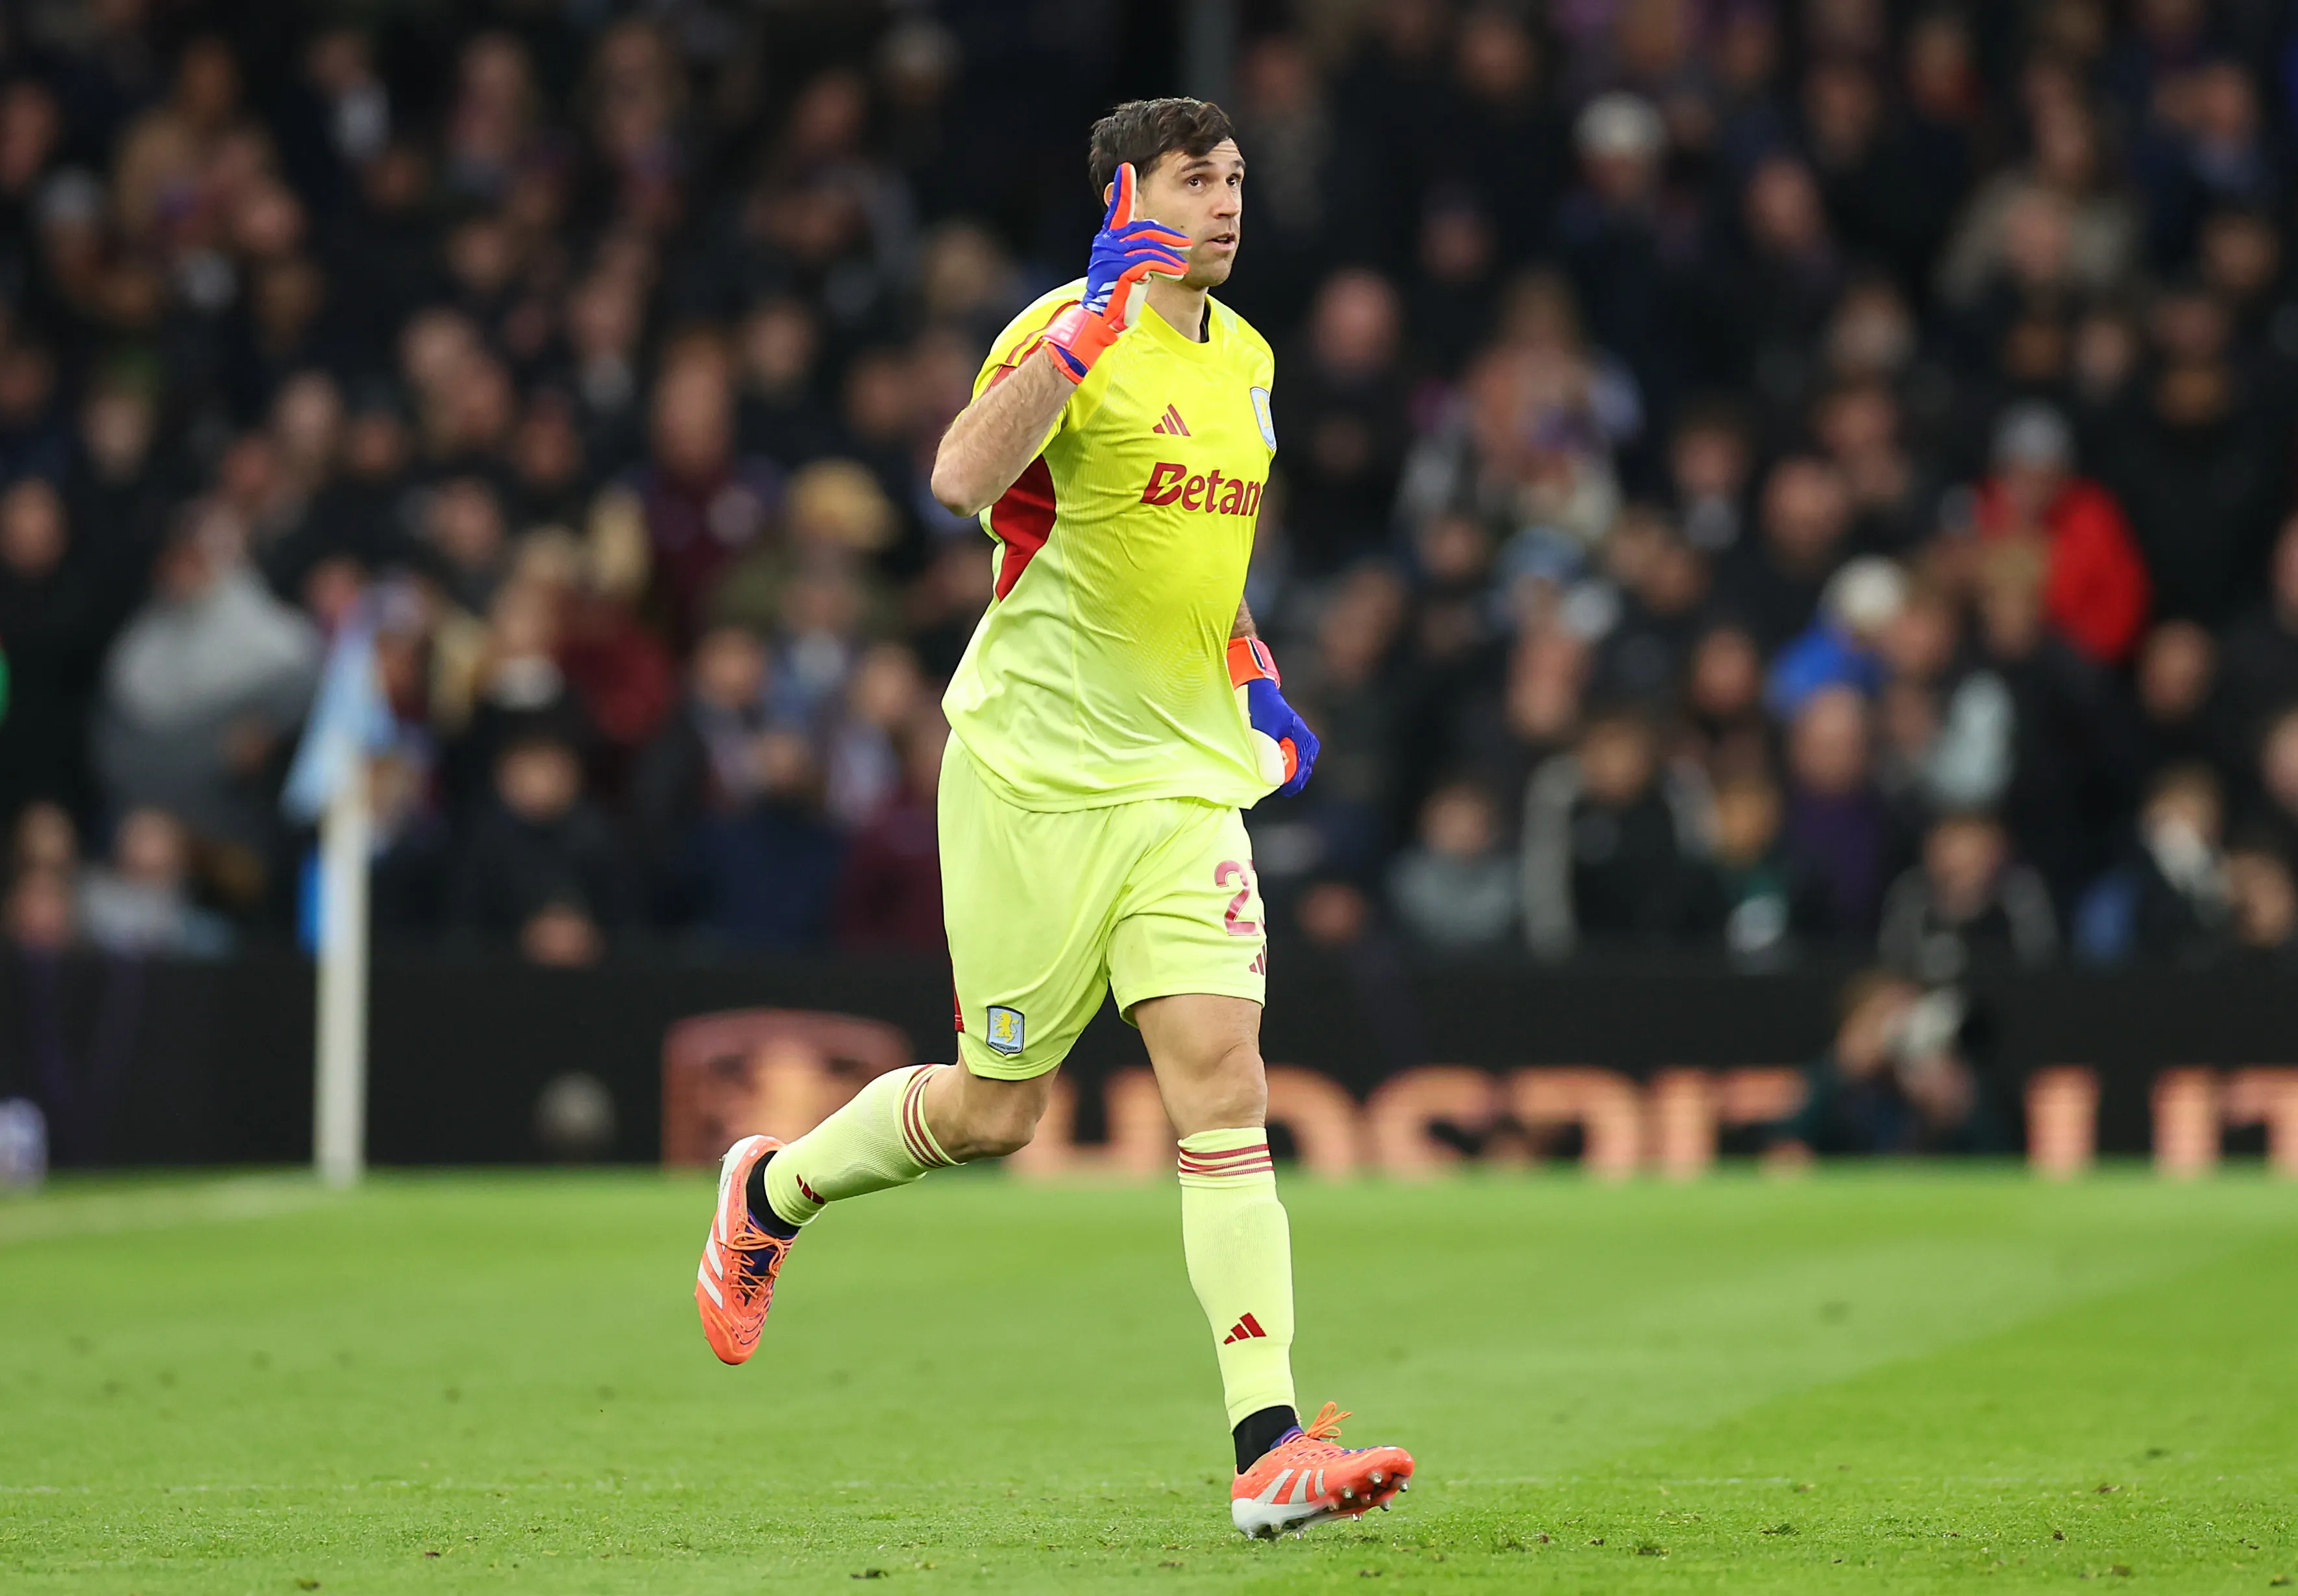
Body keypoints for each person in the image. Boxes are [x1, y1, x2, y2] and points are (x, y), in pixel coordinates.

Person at [687, 99, 1413, 1538]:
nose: (1227, 203)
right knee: (996, 1111)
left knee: (1224, 1082)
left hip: (1179, 785)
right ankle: (771, 1187)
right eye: (1198, 181)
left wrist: (1253, 669)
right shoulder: (1058, 330)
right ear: (1126, 192)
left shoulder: (1250, 359)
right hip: (1030, 775)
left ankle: (1267, 1446)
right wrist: (1082, 334)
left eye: (1238, 179)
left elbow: (1192, 557)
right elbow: (959, 479)